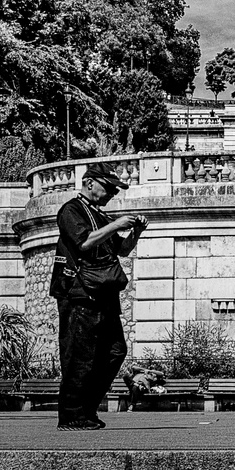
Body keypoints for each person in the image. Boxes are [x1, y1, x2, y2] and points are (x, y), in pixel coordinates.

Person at [54, 168, 146, 431]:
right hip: (79, 292)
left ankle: (87, 409)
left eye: (115, 190)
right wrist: (117, 224)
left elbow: (123, 250)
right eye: (109, 188)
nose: (112, 194)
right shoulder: (71, 210)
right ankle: (71, 415)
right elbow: (83, 243)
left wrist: (135, 232)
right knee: (79, 355)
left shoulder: (99, 215)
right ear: (89, 183)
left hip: (103, 293)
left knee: (116, 351)